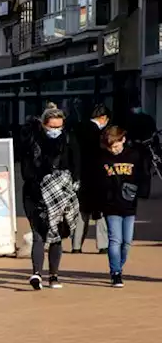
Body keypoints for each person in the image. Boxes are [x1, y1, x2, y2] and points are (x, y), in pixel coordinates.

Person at [19, 106, 80, 290]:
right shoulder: (32, 141)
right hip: (35, 193)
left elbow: (77, 166)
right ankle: (36, 273)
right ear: (44, 125)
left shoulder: (69, 140)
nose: (55, 130)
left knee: (56, 235)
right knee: (38, 234)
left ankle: (53, 275)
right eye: (52, 127)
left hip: (61, 195)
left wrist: (72, 186)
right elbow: (26, 168)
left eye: (59, 127)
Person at [86, 126, 151, 287]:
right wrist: (95, 205)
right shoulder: (101, 158)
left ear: (123, 140)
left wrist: (142, 191)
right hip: (110, 205)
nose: (113, 150)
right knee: (115, 239)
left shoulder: (134, 156)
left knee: (127, 241)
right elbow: (95, 183)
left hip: (129, 204)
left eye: (115, 146)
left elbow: (143, 176)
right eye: (110, 147)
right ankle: (115, 272)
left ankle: (119, 266)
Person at [72, 104, 111, 254]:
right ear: (103, 118)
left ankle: (76, 245)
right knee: (100, 212)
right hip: (98, 176)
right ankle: (102, 244)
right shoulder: (101, 134)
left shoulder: (78, 129)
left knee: (82, 212)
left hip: (81, 175)